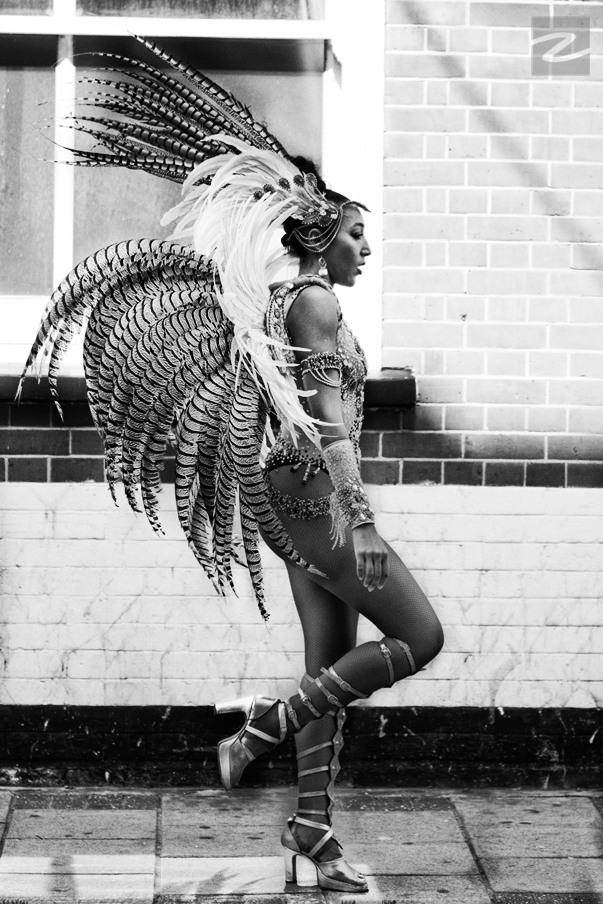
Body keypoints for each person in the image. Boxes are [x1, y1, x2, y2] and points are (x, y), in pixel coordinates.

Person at [20, 38, 444, 894]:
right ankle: (259, 731)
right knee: (419, 637)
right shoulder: (316, 303)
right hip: (318, 496)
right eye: (359, 235)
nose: (369, 249)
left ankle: (311, 835)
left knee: (332, 659)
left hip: (285, 495)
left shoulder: (287, 300)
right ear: (322, 237)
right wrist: (358, 523)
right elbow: (330, 423)